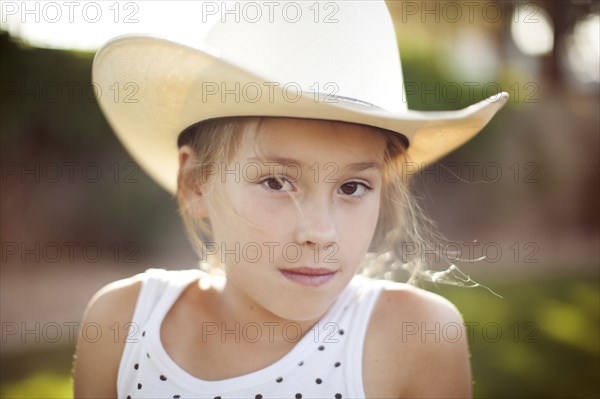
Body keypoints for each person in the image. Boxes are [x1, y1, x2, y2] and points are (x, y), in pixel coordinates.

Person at [73, 1, 508, 398]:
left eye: (352, 187)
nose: (320, 232)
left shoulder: (417, 336)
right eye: (277, 182)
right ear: (195, 183)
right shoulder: (122, 325)